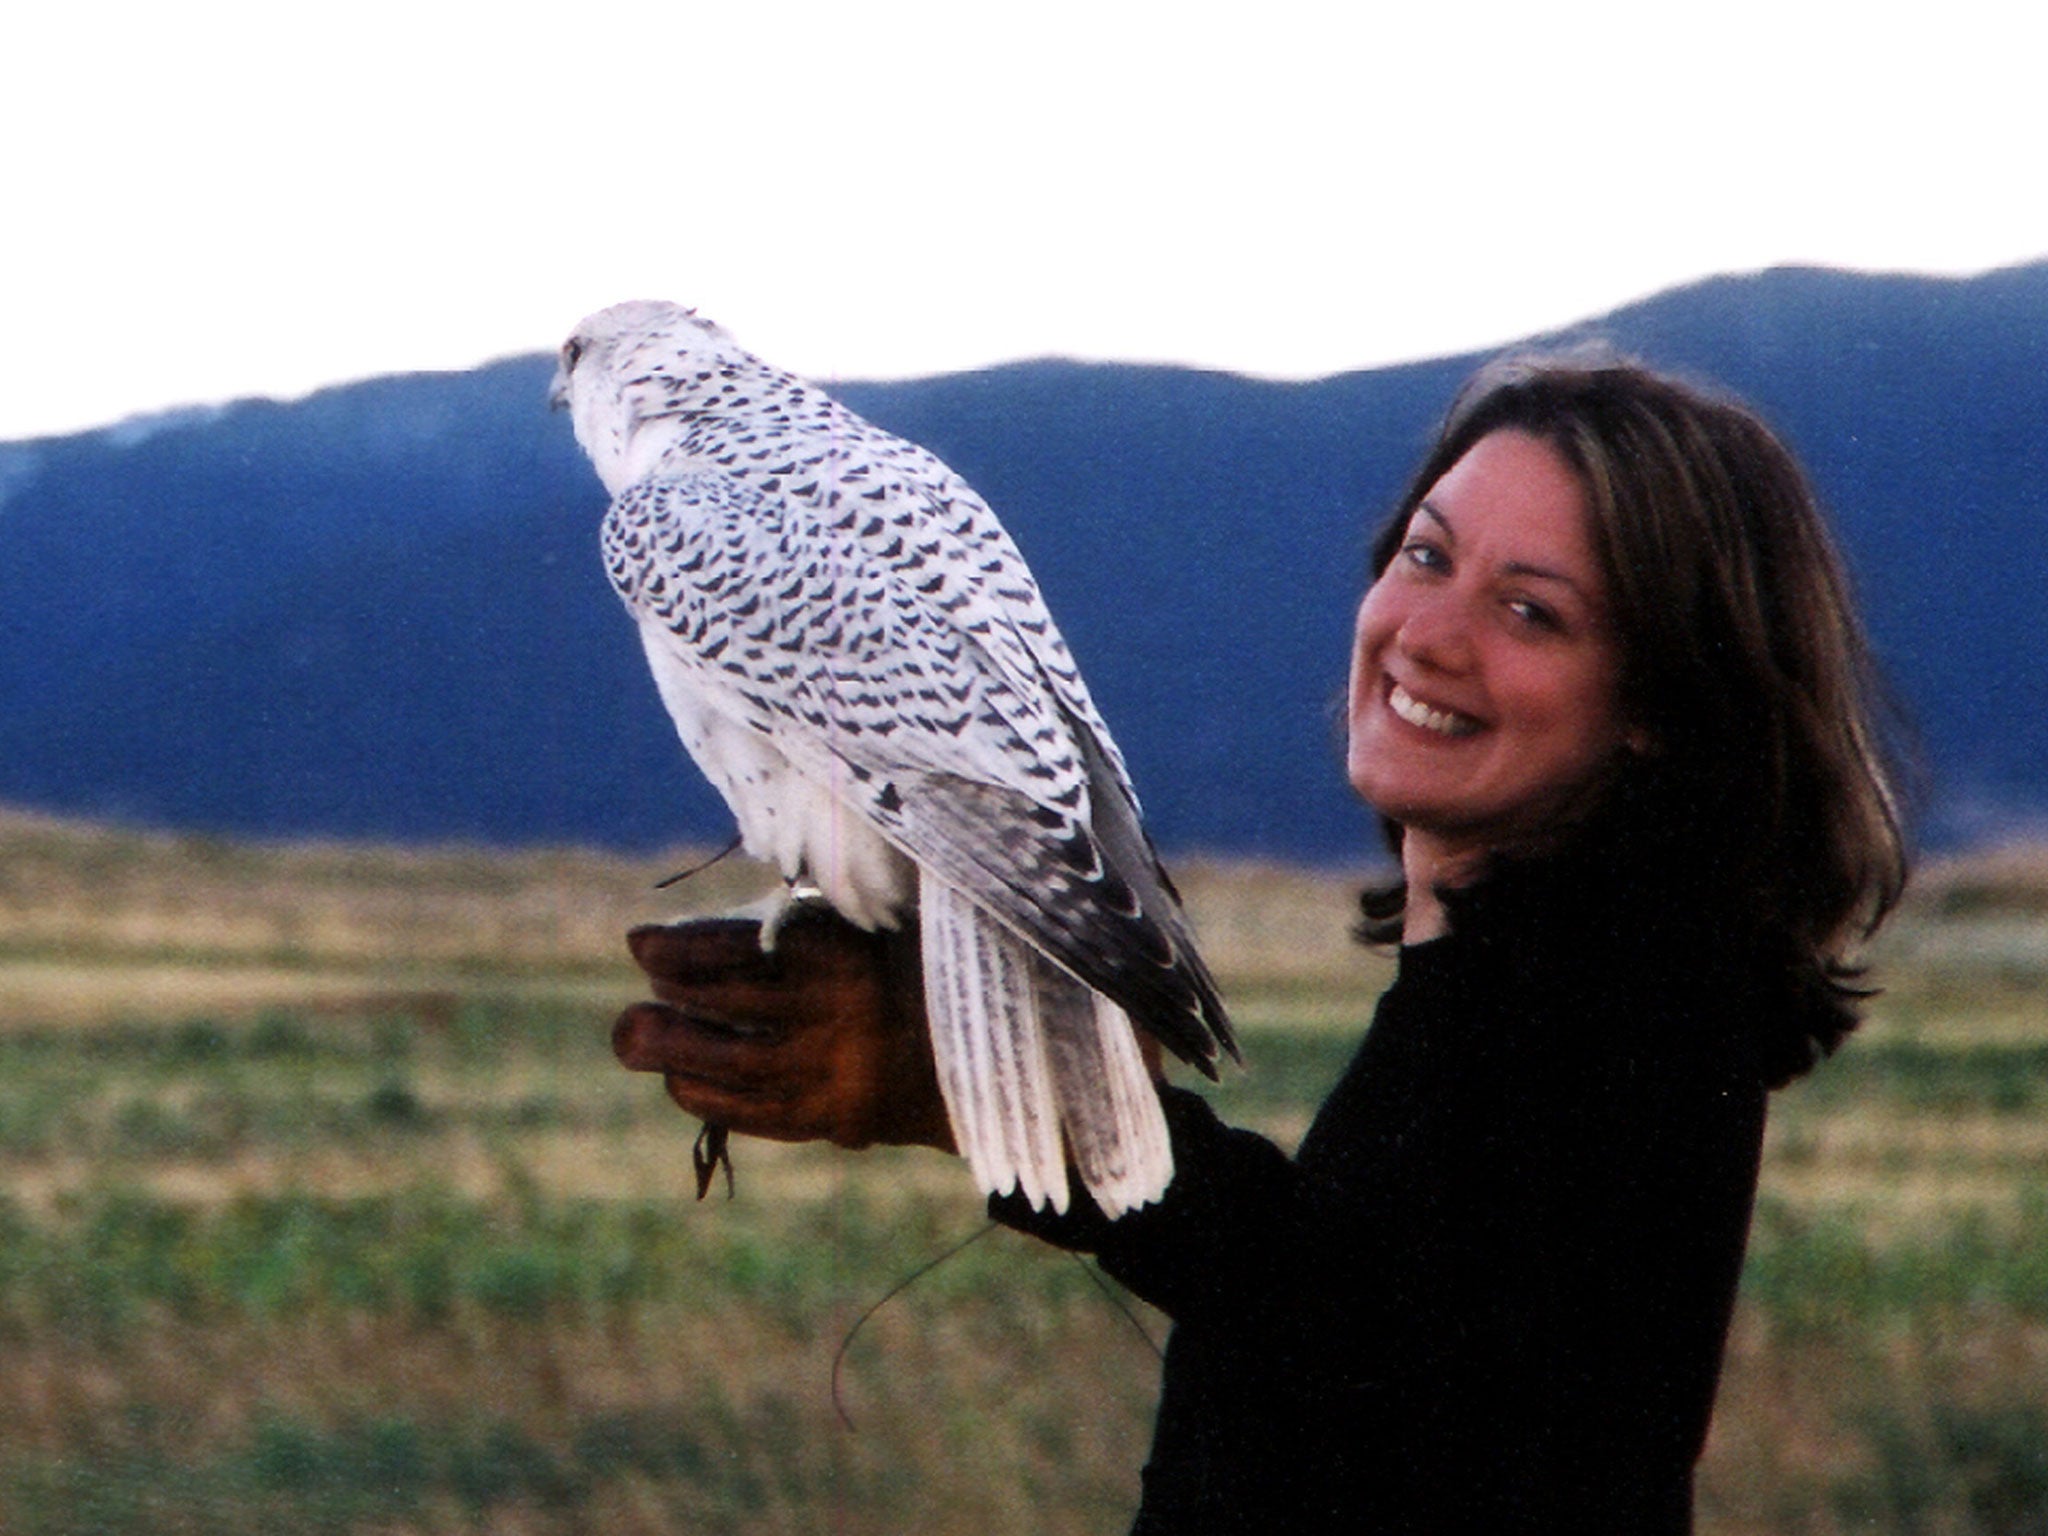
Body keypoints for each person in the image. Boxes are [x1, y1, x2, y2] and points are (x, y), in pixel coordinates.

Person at [610, 352, 1909, 1532]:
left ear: (1659, 709)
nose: (1429, 633)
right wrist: (1015, 1095)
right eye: (1425, 555)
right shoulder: (1513, 988)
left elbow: (1399, 1389)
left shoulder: (1628, 1013)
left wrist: (1035, 1099)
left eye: (1532, 614)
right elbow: (1353, 1328)